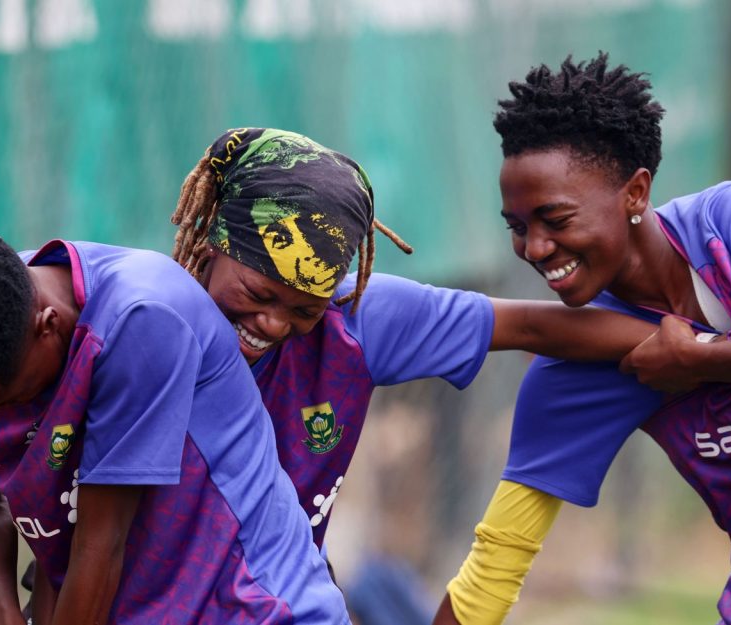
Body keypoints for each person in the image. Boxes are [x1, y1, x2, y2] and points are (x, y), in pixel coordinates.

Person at [432, 52, 731, 625]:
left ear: (636, 192)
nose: (534, 249)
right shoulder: (576, 366)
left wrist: (698, 357)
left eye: (555, 220)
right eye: (518, 227)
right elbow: (494, 565)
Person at [167, 127, 661, 551]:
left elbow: (532, 326)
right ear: (211, 240)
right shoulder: (151, 330)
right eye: (257, 293)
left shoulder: (355, 320)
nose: (273, 324)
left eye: (303, 309)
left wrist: (701, 348)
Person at [0, 233, 350, 624]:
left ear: (47, 326)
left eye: (6, 400)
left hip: (254, 606)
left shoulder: (142, 317)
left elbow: (100, 543)